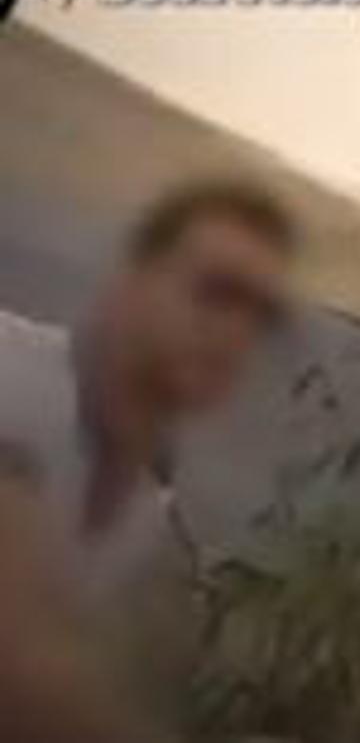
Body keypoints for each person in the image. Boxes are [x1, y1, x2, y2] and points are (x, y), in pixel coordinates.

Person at [0, 179, 296, 741]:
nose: (236, 332)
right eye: (216, 292)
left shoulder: (143, 508)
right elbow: (20, 664)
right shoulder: (10, 375)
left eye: (262, 317)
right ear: (130, 282)